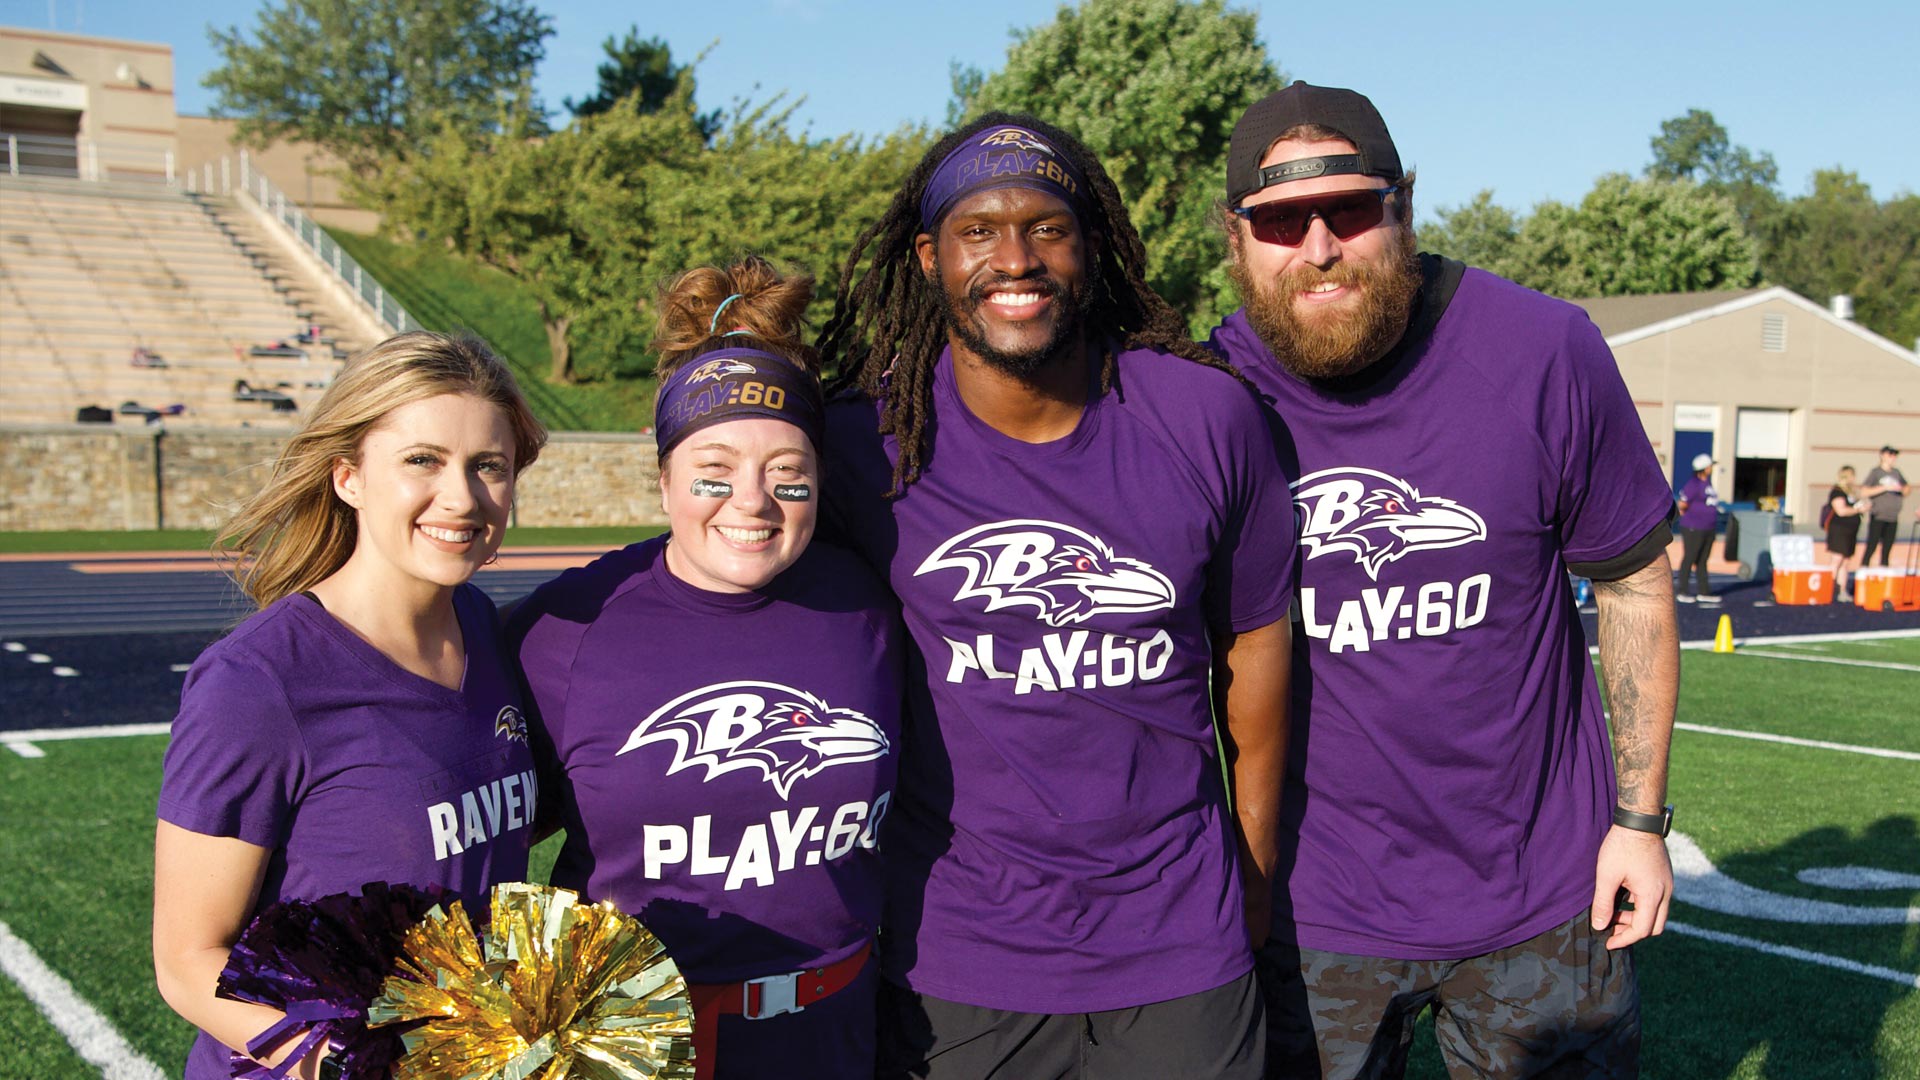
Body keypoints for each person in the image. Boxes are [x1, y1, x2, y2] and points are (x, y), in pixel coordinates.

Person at [1208, 83, 1680, 1079]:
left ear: (1405, 208)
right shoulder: (1207, 390)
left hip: (1541, 901)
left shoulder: (1544, 349)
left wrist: (1640, 823)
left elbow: (1634, 579)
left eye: (1351, 210)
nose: (1320, 246)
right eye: (1283, 221)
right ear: (1236, 239)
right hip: (1309, 909)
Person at [816, 113, 1296, 1078]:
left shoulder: (1204, 416)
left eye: (1045, 227)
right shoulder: (862, 447)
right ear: (928, 257)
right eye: (978, 232)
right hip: (956, 951)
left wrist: (1250, 874)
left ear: (1092, 247)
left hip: (1180, 939)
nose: (1014, 259)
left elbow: (1258, 659)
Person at [508, 257, 904, 1080]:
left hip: (836, 1032)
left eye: (787, 476)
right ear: (663, 482)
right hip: (632, 1044)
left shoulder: (868, 600)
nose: (752, 502)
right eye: (713, 474)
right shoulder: (564, 628)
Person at [153, 332, 548, 1080]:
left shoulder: (489, 635)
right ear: (348, 477)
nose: (462, 497)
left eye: (488, 466)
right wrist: (340, 1062)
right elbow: (185, 960)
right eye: (422, 460)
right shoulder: (259, 681)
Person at [1674, 453, 1722, 604]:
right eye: (1709, 466)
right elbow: (1683, 504)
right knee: (1690, 557)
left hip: (1708, 527)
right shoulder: (1693, 484)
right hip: (1694, 527)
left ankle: (1704, 591)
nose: (1711, 469)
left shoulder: (1707, 484)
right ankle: (1682, 590)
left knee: (1702, 560)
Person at [1859, 445, 1909, 567]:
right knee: (1872, 545)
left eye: (1894, 455)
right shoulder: (1876, 473)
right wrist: (1885, 487)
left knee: (1887, 548)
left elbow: (1906, 488)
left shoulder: (1896, 473)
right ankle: (1864, 568)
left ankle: (1884, 571)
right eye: (1890, 455)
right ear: (1882, 455)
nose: (1893, 458)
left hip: (1892, 516)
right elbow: (1864, 491)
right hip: (1879, 515)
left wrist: (1902, 489)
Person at [1824, 466, 1868, 602]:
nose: (1853, 479)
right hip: (1839, 530)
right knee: (1836, 559)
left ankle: (1842, 590)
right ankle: (1827, 588)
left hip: (1850, 531)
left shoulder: (1852, 493)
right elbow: (1841, 511)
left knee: (1845, 561)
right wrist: (1857, 510)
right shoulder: (1837, 492)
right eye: (1851, 476)